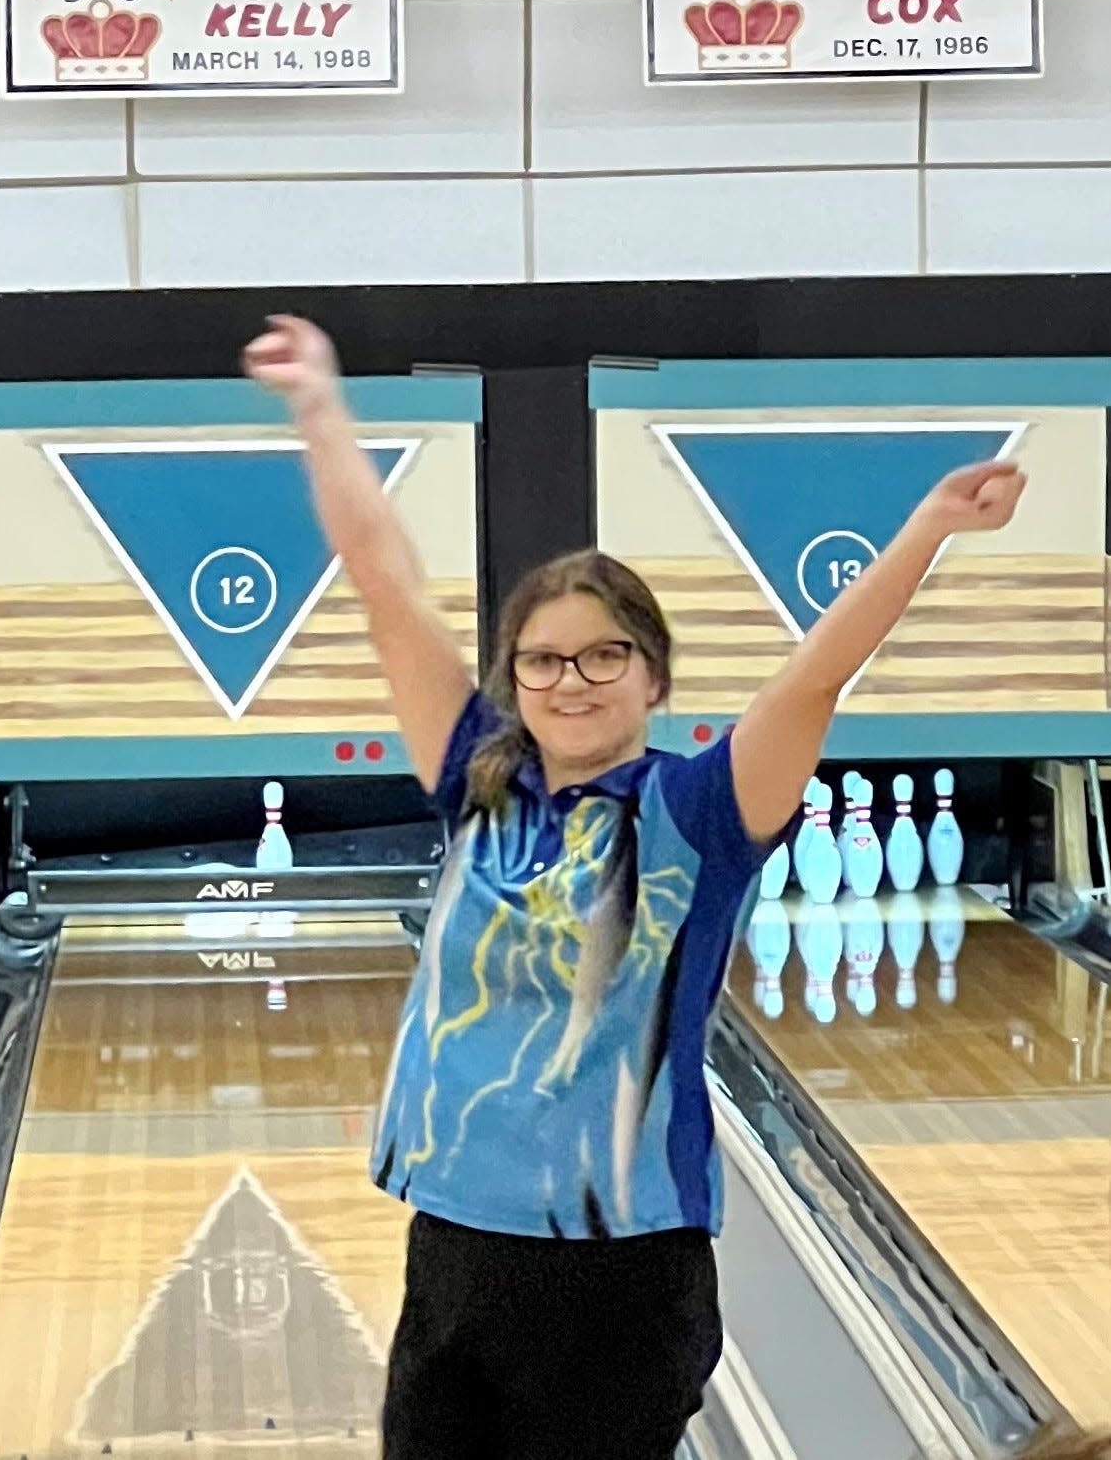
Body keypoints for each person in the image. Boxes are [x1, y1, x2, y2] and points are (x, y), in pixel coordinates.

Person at [243, 315, 1028, 1460]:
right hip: (454, 1247)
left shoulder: (697, 812)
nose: (573, 679)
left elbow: (814, 682)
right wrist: (318, 403)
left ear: (652, 673)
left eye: (604, 654)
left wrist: (928, 527)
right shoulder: (479, 783)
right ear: (513, 678)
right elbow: (383, 575)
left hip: (622, 1275)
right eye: (544, 659)